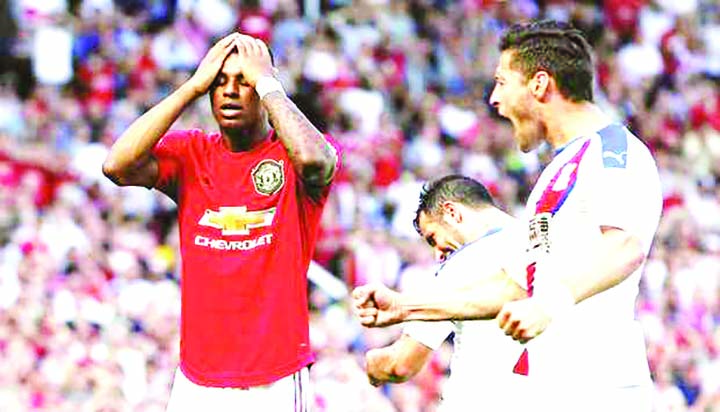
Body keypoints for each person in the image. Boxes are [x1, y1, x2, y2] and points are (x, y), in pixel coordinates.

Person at [353, 20, 661, 411]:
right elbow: (516, 287)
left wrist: (549, 304)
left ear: (539, 84)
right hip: (551, 392)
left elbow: (624, 247)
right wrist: (406, 307)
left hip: (603, 391)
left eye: (502, 81)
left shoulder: (614, 151)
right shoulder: (556, 171)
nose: (494, 98)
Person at [103, 32, 338, 411]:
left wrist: (267, 83)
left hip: (273, 376)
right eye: (220, 82)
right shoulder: (191, 153)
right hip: (197, 376)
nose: (229, 91)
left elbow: (316, 162)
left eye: (243, 81)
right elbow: (116, 166)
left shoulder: (295, 154)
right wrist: (192, 86)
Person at [363, 175, 527, 411]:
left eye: (433, 239)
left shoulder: (461, 264)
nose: (438, 254)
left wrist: (373, 363)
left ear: (452, 213)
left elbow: (400, 364)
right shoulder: (544, 242)